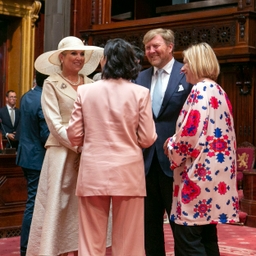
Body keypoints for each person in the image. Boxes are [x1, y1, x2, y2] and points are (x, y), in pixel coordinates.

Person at [67, 38, 157, 256]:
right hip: (128, 172)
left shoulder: (85, 92)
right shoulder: (140, 93)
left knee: (90, 240)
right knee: (129, 243)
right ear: (130, 63)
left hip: (93, 171)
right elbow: (147, 138)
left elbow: (74, 135)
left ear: (104, 62)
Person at [26, 36, 103, 256]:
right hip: (61, 153)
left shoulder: (91, 83)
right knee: (58, 207)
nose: (79, 58)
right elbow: (54, 123)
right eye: (73, 53)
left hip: (89, 154)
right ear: (62, 57)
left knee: (84, 208)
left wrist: (92, 145)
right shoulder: (51, 83)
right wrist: (79, 146)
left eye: (81, 54)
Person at [163, 42, 239, 256]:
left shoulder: (199, 90)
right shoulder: (219, 91)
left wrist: (169, 145)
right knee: (207, 238)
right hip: (216, 180)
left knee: (189, 241)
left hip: (197, 179)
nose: (182, 68)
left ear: (196, 64)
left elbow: (187, 137)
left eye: (186, 63)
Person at [134, 28, 192, 255]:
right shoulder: (140, 77)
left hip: (176, 163)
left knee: (180, 226)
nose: (150, 51)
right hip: (146, 162)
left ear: (170, 47)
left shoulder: (185, 73)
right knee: (149, 225)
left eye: (155, 46)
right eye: (147, 47)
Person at [16, 71, 50, 256]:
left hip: (25, 155)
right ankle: (27, 247)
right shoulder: (44, 100)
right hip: (38, 157)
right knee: (34, 202)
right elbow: (45, 134)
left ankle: (28, 246)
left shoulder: (27, 96)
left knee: (33, 201)